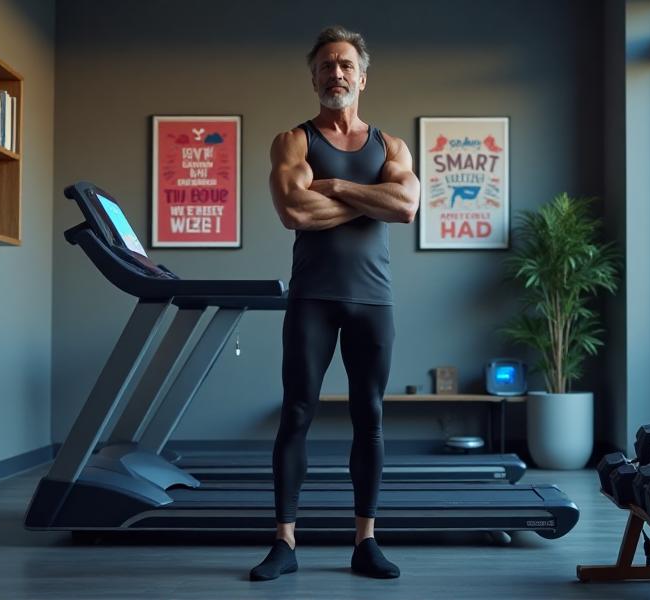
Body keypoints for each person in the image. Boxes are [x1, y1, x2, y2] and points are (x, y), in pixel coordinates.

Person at [249, 25, 420, 581]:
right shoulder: (294, 142)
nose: (336, 73)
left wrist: (337, 187)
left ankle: (366, 542)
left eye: (346, 65)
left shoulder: (391, 146)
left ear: (362, 77)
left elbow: (407, 207)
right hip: (312, 298)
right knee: (295, 414)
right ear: (314, 77)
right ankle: (284, 542)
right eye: (326, 66)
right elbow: (294, 213)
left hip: (374, 299)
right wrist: (375, 200)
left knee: (368, 417)